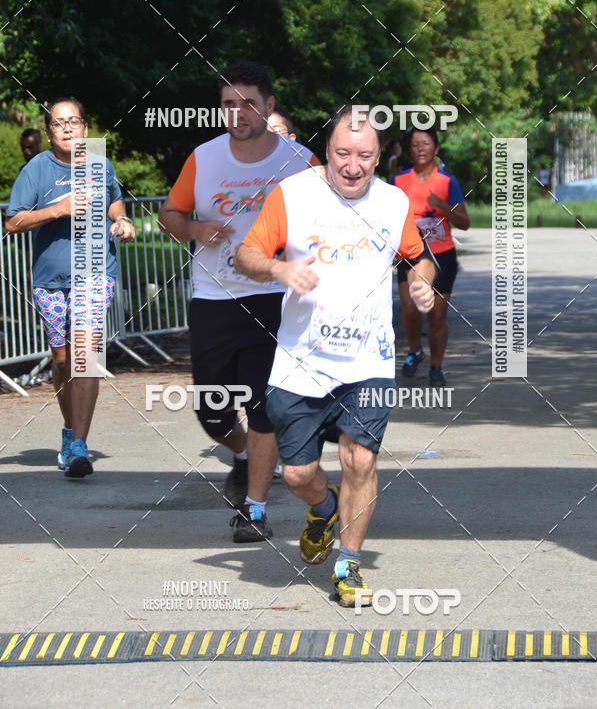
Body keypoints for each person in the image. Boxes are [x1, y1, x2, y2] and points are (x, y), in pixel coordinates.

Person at [235, 106, 435, 607]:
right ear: (326, 151)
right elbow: (247, 254)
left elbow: (420, 257)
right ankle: (321, 508)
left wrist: (421, 282)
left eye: (364, 155)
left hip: (368, 361)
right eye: (343, 154)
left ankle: (348, 563)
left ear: (379, 155)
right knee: (297, 474)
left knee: (360, 459)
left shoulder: (391, 202)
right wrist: (280, 271)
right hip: (300, 360)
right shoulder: (294, 194)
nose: (352, 165)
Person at [158, 61, 319, 543]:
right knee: (212, 410)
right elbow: (169, 213)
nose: (238, 112)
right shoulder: (203, 159)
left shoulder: (299, 160)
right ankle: (246, 453)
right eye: (229, 104)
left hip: (275, 297)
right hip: (215, 298)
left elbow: (335, 216)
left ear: (268, 106)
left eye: (248, 102)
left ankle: (255, 507)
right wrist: (192, 229)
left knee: (263, 404)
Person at [5, 99, 136, 476]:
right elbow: (13, 222)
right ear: (48, 133)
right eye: (58, 123)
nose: (67, 128)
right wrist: (57, 210)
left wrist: (122, 219)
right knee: (63, 360)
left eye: (73, 121)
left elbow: (113, 198)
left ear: (84, 127)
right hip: (50, 278)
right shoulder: (36, 169)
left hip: (96, 271)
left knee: (85, 352)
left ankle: (79, 445)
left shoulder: (98, 161)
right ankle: (69, 431)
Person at [392, 126, 470, 386]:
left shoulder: (448, 182)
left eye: (426, 143)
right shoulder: (399, 181)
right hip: (410, 254)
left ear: (435, 148)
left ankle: (437, 366)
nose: (420, 148)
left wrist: (442, 206)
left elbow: (465, 222)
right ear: (409, 150)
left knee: (437, 316)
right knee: (411, 308)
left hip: (442, 256)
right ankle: (415, 351)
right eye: (415, 144)